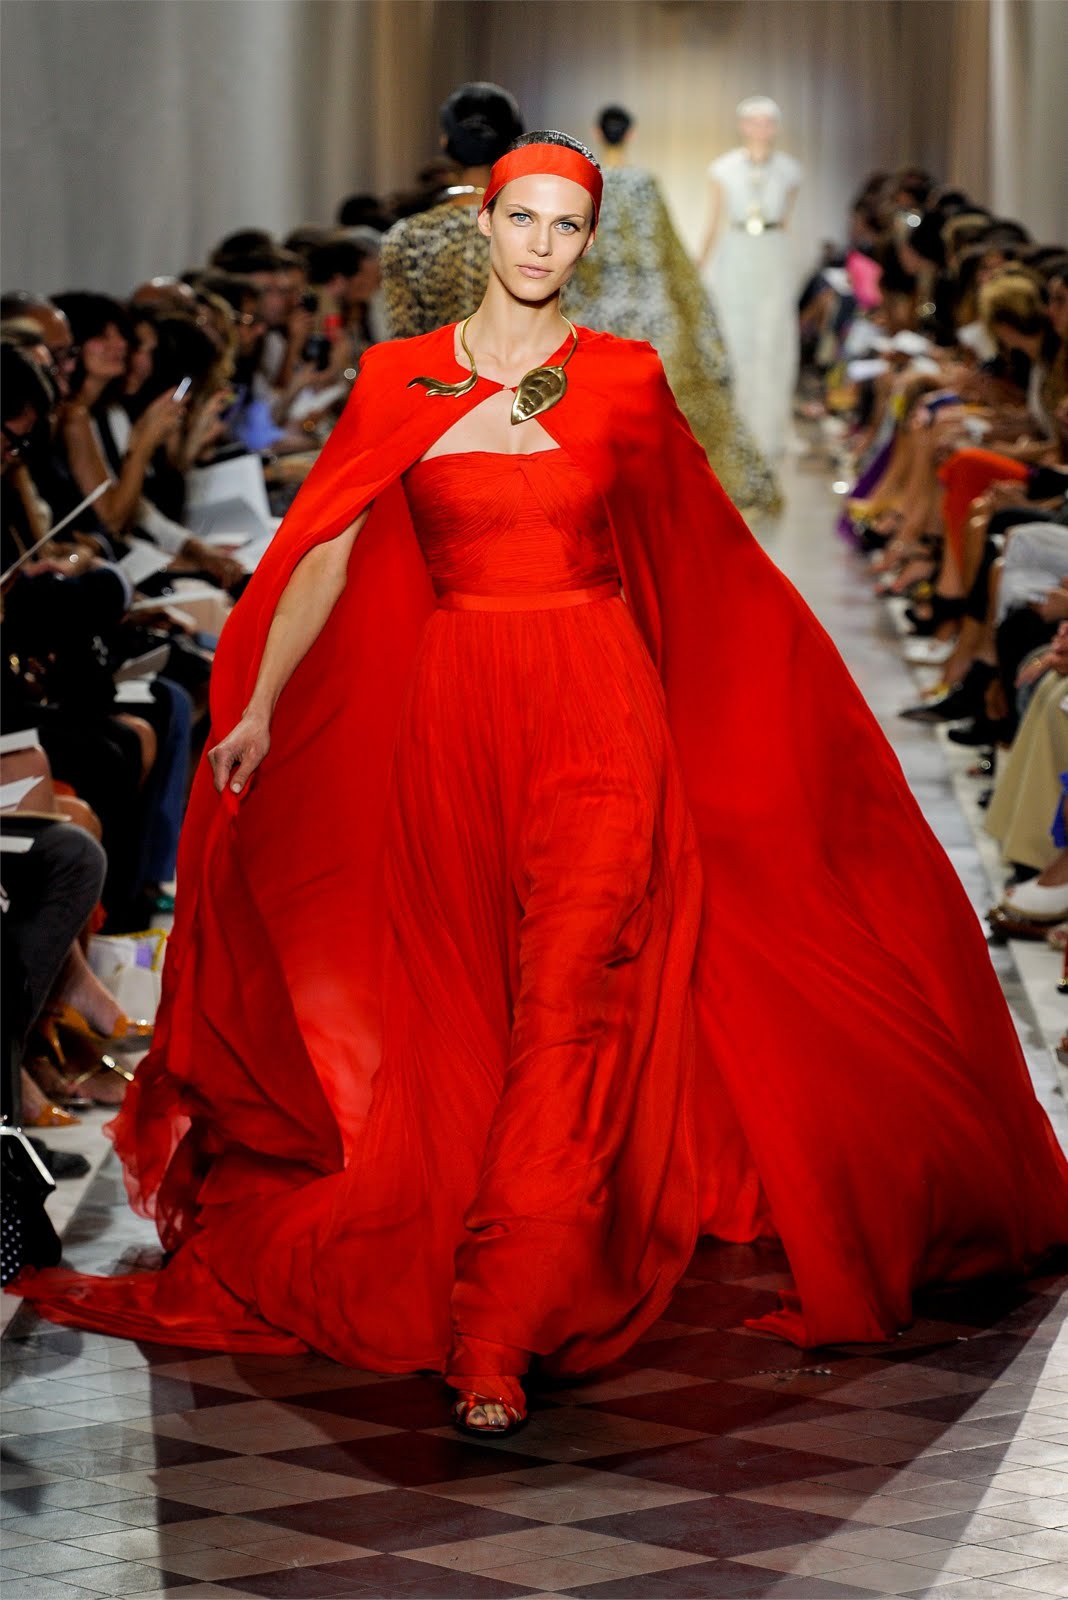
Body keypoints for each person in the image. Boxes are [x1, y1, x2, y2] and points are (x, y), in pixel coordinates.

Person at [13, 135, 1068, 1441]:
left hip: (600, 721)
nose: (542, 245)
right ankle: (489, 1236)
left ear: (588, 240)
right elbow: (329, 546)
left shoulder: (625, 378)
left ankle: (494, 1327)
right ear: (487, 223)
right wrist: (265, 706)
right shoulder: (400, 378)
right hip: (456, 728)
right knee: (473, 1014)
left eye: (569, 226)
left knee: (569, 1005)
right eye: (525, 219)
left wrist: (755, 739)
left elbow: (703, 560)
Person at [564, 104, 779, 512]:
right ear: (631, 134)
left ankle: (606, 491)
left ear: (596, 132)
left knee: (599, 407)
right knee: (657, 407)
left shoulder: (585, 182)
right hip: (651, 313)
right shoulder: (645, 182)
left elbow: (578, 248)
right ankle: (656, 494)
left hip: (596, 313)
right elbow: (669, 250)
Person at [699, 96, 803, 461]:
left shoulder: (790, 171)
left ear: (775, 127)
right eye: (754, 121)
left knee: (774, 340)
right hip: (737, 252)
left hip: (772, 253)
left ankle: (772, 428)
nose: (761, 128)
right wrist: (699, 266)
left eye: (767, 122)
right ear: (743, 126)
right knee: (736, 337)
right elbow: (714, 221)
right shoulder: (723, 169)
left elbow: (786, 222)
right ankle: (735, 426)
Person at [379, 81, 523, 338]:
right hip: (526, 365)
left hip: (433, 363)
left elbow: (403, 338)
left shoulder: (406, 237)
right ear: (513, 142)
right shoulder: (537, 235)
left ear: (445, 141)